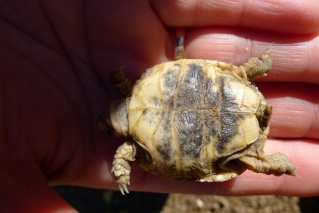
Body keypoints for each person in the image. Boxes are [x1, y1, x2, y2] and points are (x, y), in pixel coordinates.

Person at [1, 1, 318, 212]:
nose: (106, 127)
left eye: (109, 127)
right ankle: (258, 72)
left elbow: (124, 154)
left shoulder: (131, 147)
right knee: (239, 76)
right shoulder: (136, 86)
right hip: (227, 99)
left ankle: (268, 162)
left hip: (220, 117)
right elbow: (123, 81)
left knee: (234, 146)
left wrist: (121, 170)